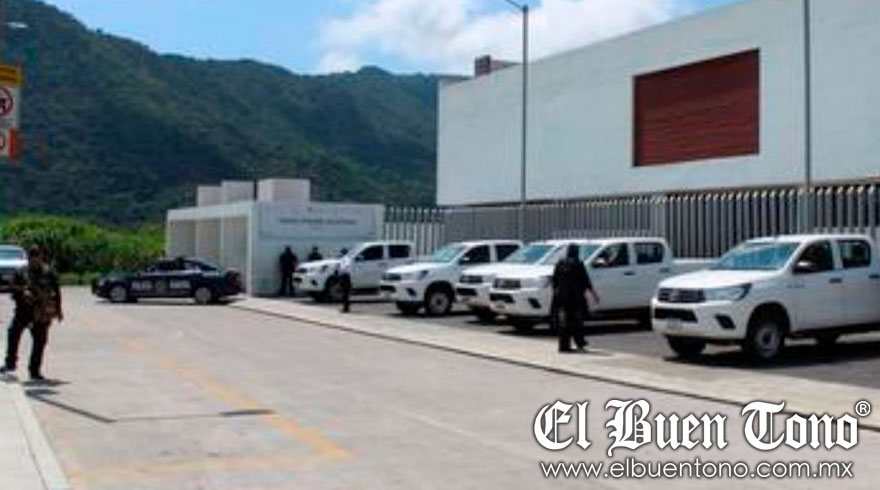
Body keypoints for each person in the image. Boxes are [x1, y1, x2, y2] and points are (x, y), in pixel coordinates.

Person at [1, 246, 63, 381]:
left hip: (41, 312)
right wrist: (22, 291)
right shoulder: (21, 272)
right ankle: (10, 363)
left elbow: (56, 290)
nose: (35, 260)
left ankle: (34, 370)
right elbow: (11, 287)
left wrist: (58, 310)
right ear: (28, 258)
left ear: (41, 257)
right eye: (32, 257)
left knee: (40, 342)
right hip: (23, 311)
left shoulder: (48, 272)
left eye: (37, 257)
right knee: (13, 334)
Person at [551, 244, 599, 353]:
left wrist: (556, 293)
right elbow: (585, 280)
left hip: (561, 297)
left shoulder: (560, 263)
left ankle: (564, 345)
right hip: (575, 297)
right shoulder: (578, 264)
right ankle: (579, 342)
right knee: (577, 320)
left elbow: (554, 280)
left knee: (564, 322)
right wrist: (594, 294)